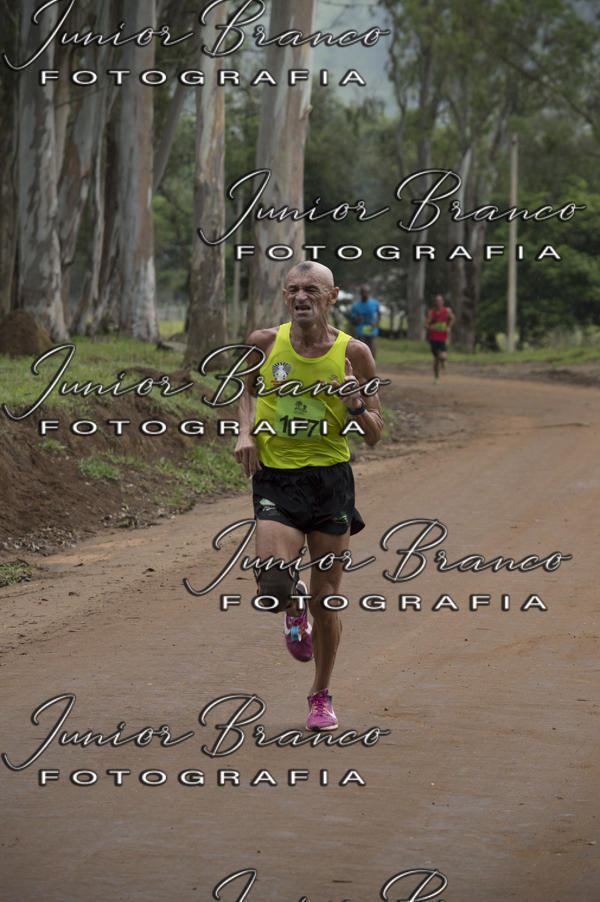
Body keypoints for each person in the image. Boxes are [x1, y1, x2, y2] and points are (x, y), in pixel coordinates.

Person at [235, 261, 384, 732]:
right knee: (274, 584)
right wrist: (246, 433)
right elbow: (245, 390)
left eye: (312, 290)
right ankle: (291, 603)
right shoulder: (263, 343)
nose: (302, 297)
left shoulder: (354, 352)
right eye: (294, 290)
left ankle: (320, 695)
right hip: (276, 477)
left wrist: (354, 401)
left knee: (329, 597)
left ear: (332, 296)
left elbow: (377, 432)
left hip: (330, 482)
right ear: (285, 296)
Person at [425, 294, 455, 383]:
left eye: (440, 300)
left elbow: (453, 318)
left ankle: (443, 361)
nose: (439, 302)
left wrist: (449, 327)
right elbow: (426, 324)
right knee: (436, 360)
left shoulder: (447, 311)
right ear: (435, 302)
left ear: (443, 302)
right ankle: (436, 377)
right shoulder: (431, 312)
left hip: (443, 337)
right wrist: (431, 327)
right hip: (433, 338)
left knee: (443, 355)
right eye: (437, 301)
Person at [349, 285, 380, 358]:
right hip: (361, 329)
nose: (365, 294)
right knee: (362, 350)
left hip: (371, 328)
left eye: (367, 292)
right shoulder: (356, 306)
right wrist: (357, 319)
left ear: (369, 293)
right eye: (363, 292)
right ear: (361, 293)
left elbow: (379, 314)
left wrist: (376, 323)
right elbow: (353, 320)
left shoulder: (375, 304)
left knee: (372, 349)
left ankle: (372, 364)